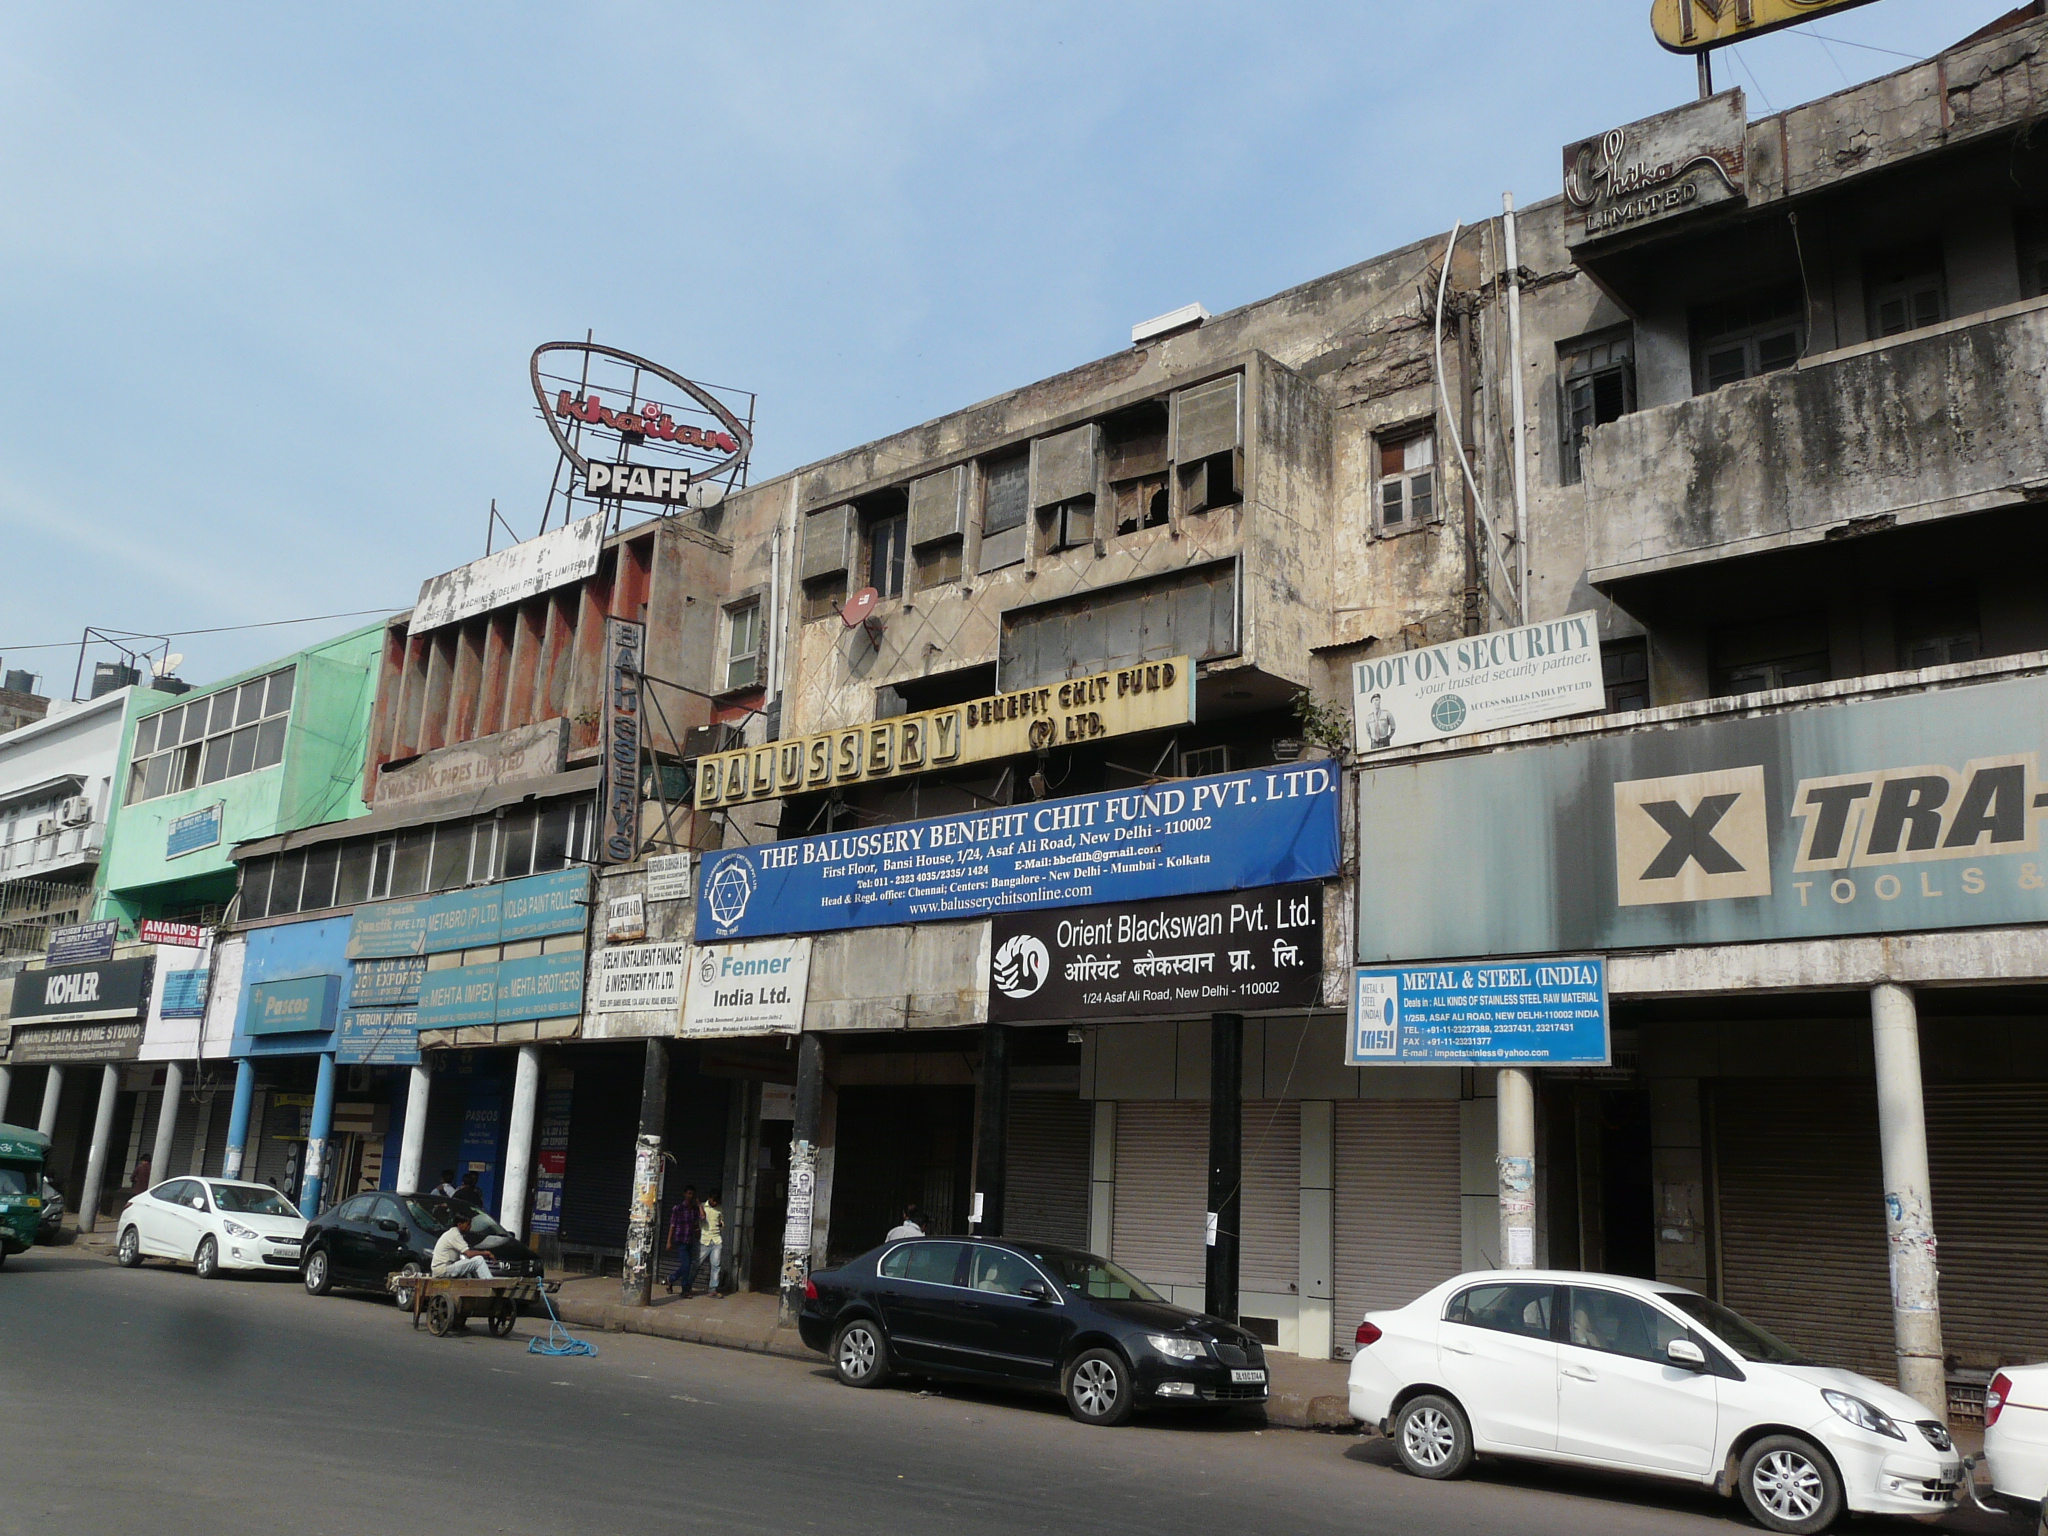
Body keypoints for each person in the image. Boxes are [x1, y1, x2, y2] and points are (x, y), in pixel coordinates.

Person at [431, 1213, 493, 1279]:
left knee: (468, 1261)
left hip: (441, 1269)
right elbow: (469, 1254)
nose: (470, 1227)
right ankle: (491, 1283)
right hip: (444, 1269)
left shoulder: (452, 1233)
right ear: (460, 1224)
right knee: (478, 1260)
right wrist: (486, 1253)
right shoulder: (455, 1234)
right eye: (468, 1225)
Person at [665, 1185, 701, 1296]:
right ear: (684, 1194)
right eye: (689, 1193)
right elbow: (672, 1225)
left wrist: (699, 1203)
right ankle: (685, 1289)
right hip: (681, 1240)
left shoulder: (694, 1209)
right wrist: (669, 1241)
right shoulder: (678, 1208)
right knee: (686, 1265)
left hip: (690, 1241)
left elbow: (699, 1221)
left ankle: (671, 1279)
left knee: (687, 1266)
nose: (691, 1196)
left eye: (692, 1194)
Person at [699, 1190, 725, 1296]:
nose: (714, 1203)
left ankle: (712, 1288)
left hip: (716, 1240)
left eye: (716, 1201)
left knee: (716, 1265)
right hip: (704, 1240)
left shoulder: (720, 1209)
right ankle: (687, 1286)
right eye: (713, 1200)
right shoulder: (702, 1206)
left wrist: (721, 1224)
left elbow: (722, 1222)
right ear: (709, 1198)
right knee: (696, 1263)